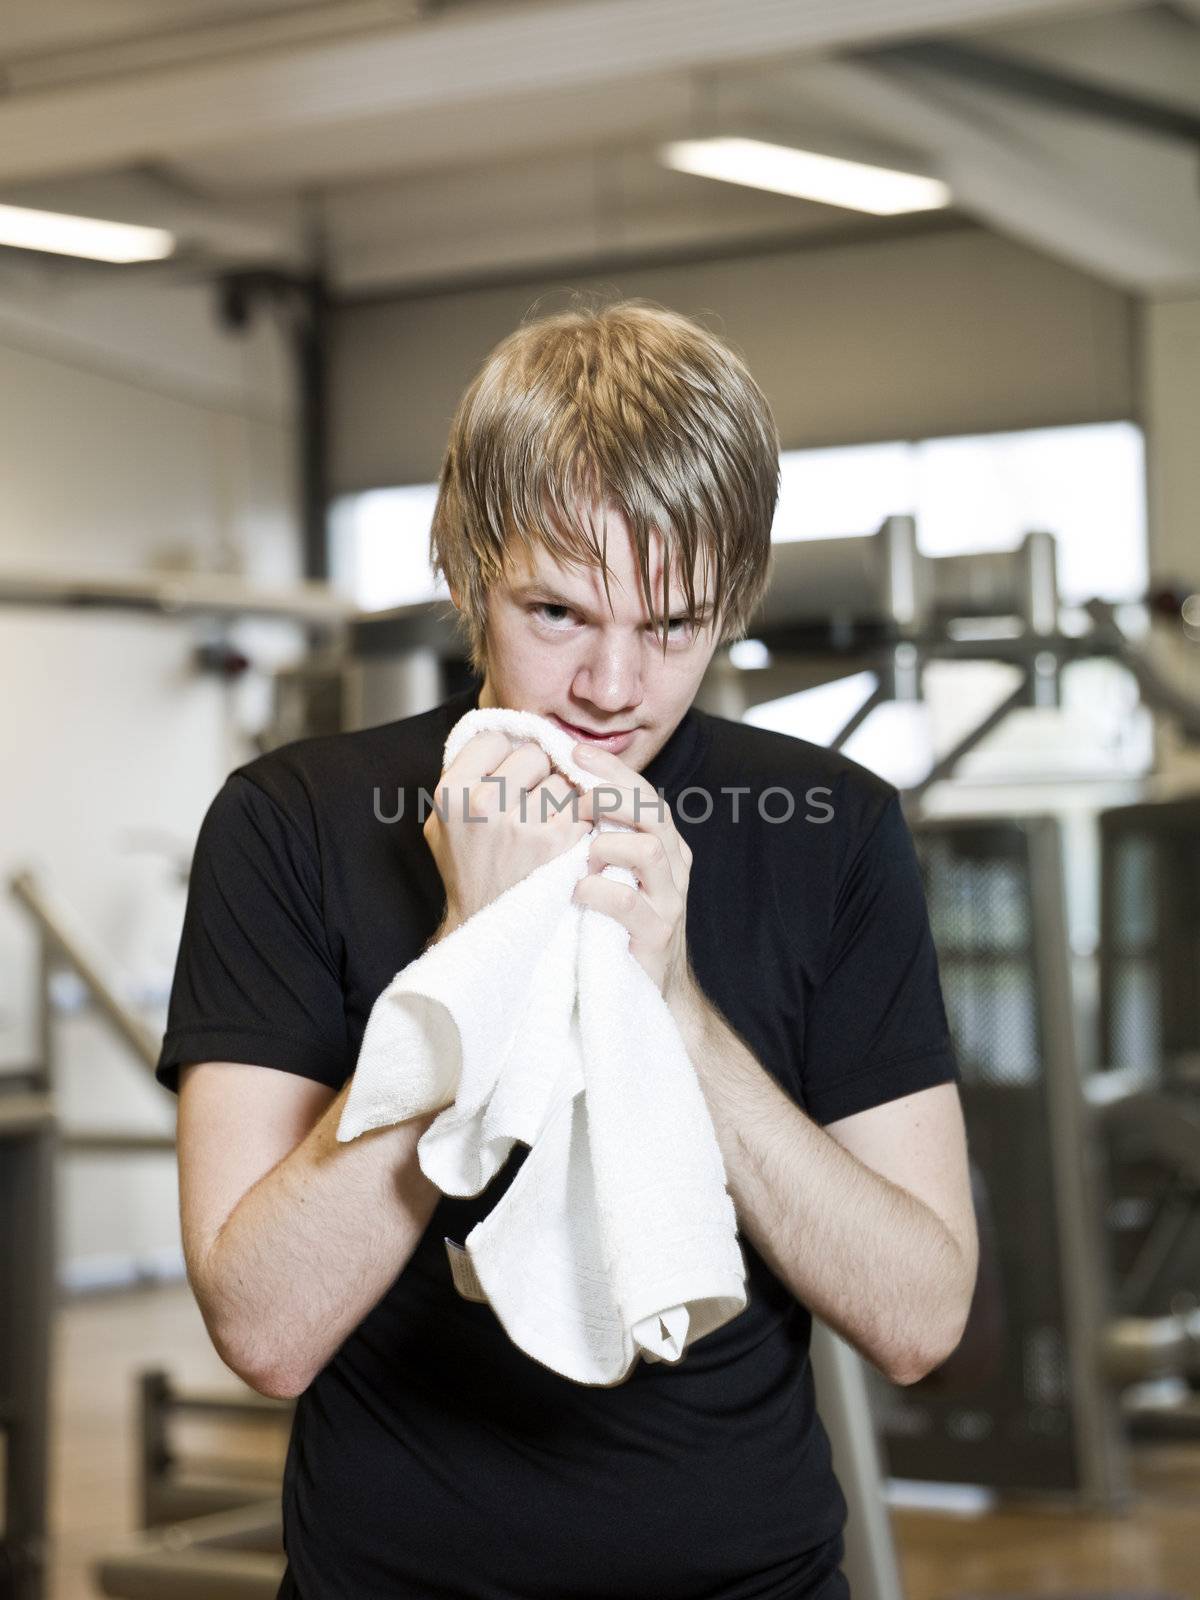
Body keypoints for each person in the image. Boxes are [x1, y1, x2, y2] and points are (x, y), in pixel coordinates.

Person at [156, 299, 978, 1600]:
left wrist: (675, 1004)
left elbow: (920, 1317)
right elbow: (265, 1329)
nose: (612, 687)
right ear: (467, 568)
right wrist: (474, 965)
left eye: (672, 626)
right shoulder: (293, 825)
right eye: (557, 613)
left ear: (736, 599)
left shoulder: (832, 829)